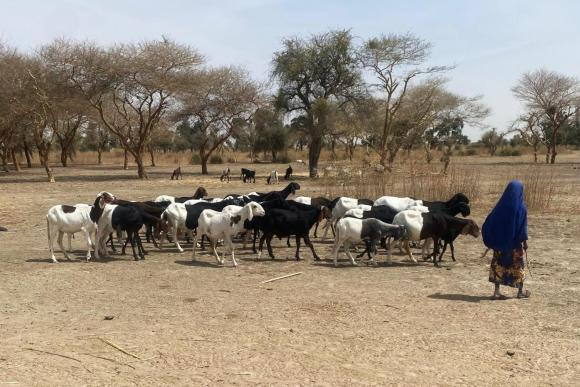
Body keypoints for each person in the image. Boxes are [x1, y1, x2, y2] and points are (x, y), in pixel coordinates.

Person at [482, 180, 530, 299]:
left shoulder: (500, 207)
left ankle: (496, 292)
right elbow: (522, 229)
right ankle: (520, 292)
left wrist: (492, 239)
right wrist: (524, 242)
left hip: (499, 244)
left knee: (498, 266)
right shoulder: (522, 208)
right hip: (514, 245)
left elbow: (489, 223)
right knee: (518, 267)